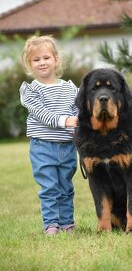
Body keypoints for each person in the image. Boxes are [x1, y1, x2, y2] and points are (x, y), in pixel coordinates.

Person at [19, 35, 78, 235]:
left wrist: (79, 123)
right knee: (49, 188)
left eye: (46, 57)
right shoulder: (30, 90)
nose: (42, 62)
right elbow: (41, 114)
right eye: (36, 60)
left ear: (56, 60)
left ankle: (67, 223)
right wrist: (65, 121)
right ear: (29, 65)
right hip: (43, 146)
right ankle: (51, 225)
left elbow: (77, 111)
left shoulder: (70, 88)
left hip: (67, 147)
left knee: (66, 187)